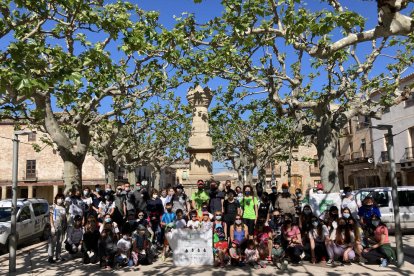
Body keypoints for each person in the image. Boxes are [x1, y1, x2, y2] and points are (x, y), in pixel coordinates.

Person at [48, 193, 67, 263]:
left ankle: (58, 256)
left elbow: (64, 218)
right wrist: (52, 227)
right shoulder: (53, 207)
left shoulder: (63, 208)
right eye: (59, 198)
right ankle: (50, 257)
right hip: (55, 226)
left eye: (62, 198)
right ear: (56, 199)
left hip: (61, 227)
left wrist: (65, 226)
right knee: (52, 242)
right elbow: (50, 217)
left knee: (59, 242)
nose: (60, 200)